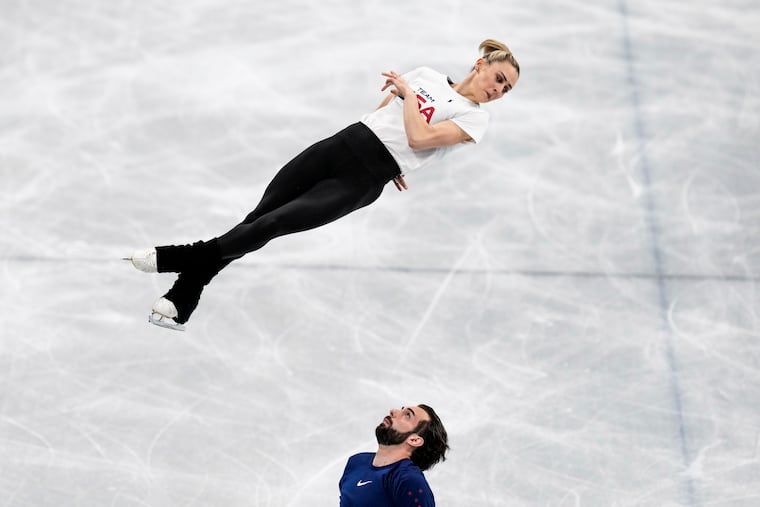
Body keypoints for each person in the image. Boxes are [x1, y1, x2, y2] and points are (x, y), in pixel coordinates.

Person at [128, 38, 520, 330]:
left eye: (506, 89)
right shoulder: (427, 76)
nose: (498, 90)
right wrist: (398, 125)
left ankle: (179, 257)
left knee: (273, 224)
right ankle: (184, 296)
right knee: (258, 216)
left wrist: (405, 120)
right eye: (499, 78)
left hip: (363, 179)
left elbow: (419, 138)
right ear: (480, 64)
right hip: (342, 143)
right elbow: (385, 113)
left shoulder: (475, 119)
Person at [338, 404, 449, 506]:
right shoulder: (356, 462)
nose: (393, 411)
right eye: (401, 409)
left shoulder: (408, 481)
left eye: (407, 415)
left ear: (414, 440)